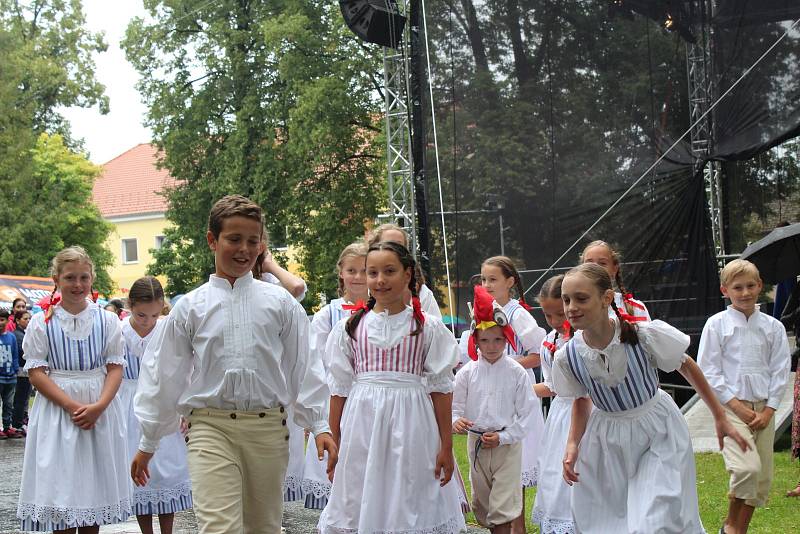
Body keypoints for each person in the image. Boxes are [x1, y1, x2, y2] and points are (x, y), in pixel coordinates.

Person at [131, 195, 336, 533]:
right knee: (219, 527)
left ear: (261, 245)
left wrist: (319, 424)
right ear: (212, 240)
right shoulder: (191, 308)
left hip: (267, 428)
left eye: (252, 241)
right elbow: (164, 375)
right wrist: (148, 441)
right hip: (211, 428)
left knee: (263, 527)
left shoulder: (281, 303)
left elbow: (304, 365)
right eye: (234, 239)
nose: (243, 249)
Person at [551, 263, 748, 534]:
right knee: (609, 522)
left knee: (655, 521)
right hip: (606, 440)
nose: (571, 306)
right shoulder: (568, 356)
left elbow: (686, 364)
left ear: (606, 298)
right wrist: (573, 444)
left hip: (657, 431)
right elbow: (581, 399)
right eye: (566, 299)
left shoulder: (642, 336)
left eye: (581, 298)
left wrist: (719, 415)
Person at [318, 241, 465, 534]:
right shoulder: (350, 327)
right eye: (372, 272)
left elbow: (441, 389)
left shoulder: (427, 328)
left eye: (389, 271)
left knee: (410, 491)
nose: (379, 280)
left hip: (412, 423)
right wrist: (335, 441)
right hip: (363, 423)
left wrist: (446, 446)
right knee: (360, 490)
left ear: (407, 274)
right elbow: (339, 390)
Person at [17, 245, 131, 532]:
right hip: (58, 410)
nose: (77, 284)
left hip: (99, 406)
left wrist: (99, 406)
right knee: (61, 491)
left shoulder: (107, 321)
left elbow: (115, 366)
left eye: (83, 277)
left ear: (91, 278)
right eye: (70, 278)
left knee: (91, 492)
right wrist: (72, 406)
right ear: (56, 279)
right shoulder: (43, 323)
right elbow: (36, 373)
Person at [697, 259, 791, 534]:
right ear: (725, 290)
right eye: (738, 287)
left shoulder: (773, 327)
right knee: (746, 469)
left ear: (760, 286)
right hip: (731, 411)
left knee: (760, 480)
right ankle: (731, 526)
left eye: (751, 286)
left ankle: (736, 531)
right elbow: (709, 370)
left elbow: (780, 369)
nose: (745, 292)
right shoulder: (717, 325)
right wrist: (737, 407)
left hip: (764, 411)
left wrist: (770, 409)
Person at [453, 285, 536, 533]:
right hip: (476, 442)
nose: (492, 346)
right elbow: (454, 408)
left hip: (507, 446)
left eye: (498, 339)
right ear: (475, 340)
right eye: (485, 340)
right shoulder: (466, 374)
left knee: (503, 504)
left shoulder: (516, 372)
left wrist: (504, 437)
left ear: (507, 339)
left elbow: (528, 413)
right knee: (483, 502)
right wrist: (456, 421)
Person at [120, 276, 192, 534]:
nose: (148, 321)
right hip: (128, 405)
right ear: (129, 305)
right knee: (140, 471)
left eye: (154, 315)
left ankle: (167, 531)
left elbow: (185, 369)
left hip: (165, 402)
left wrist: (185, 407)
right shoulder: (119, 332)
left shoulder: (167, 329)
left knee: (166, 470)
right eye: (141, 315)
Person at [480, 255, 545, 533]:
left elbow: (538, 353)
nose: (487, 284)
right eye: (483, 279)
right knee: (496, 470)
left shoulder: (518, 315)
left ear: (510, 281)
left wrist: (506, 364)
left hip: (516, 392)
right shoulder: (485, 311)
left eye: (493, 279)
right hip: (491, 391)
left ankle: (518, 529)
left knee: (515, 467)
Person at [301, 241, 368, 509]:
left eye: (364, 270)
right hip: (336, 400)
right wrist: (314, 414)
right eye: (352, 270)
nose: (358, 277)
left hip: (368, 400)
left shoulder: (382, 311)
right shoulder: (327, 315)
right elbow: (314, 364)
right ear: (341, 272)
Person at [531, 275, 579, 534]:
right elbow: (550, 385)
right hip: (561, 414)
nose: (555, 322)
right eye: (548, 316)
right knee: (557, 475)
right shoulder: (548, 342)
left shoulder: (585, 338)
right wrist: (517, 389)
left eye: (560, 314)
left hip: (588, 412)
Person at [367, 223, 442, 318]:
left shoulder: (422, 293)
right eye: (388, 244)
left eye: (399, 246)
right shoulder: (361, 286)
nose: (393, 250)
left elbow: (435, 327)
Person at [581, 240, 651, 321]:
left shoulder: (636, 309)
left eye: (602, 263)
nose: (595, 268)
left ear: (614, 269)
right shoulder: (573, 310)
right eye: (589, 264)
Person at [0, 308, 20, 439]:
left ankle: (7, 426)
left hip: (10, 377)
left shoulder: (11, 337)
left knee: (8, 404)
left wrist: (15, 369)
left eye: (2, 320)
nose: (0, 322)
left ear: (7, 321)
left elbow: (15, 356)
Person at [11, 309, 31, 436]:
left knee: (24, 399)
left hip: (26, 372)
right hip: (20, 372)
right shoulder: (17, 335)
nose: (28, 321)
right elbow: (22, 352)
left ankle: (20, 421)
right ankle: (17, 424)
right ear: (17, 321)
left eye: (29, 318)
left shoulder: (25, 333)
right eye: (25, 319)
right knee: (20, 399)